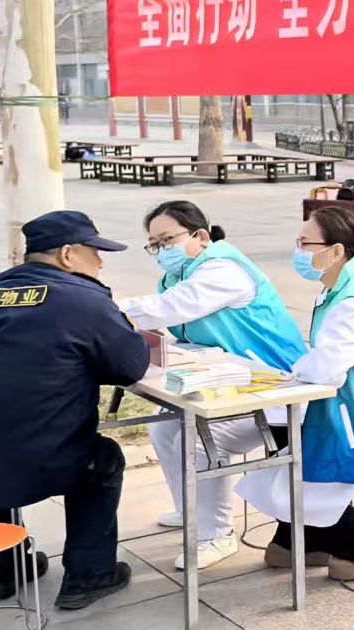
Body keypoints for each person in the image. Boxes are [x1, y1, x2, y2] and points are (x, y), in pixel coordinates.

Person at [0, 211, 149, 610]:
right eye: (95, 253)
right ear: (68, 254)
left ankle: (6, 567)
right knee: (102, 459)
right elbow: (130, 366)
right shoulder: (83, 301)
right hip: (30, 463)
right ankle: (89, 575)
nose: (100, 263)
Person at [119, 201, 309, 571]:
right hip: (232, 382)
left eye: (168, 239)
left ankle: (217, 534)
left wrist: (104, 309)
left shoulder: (224, 270)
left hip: (276, 388)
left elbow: (171, 307)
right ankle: (190, 509)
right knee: (164, 426)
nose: (161, 250)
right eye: (154, 244)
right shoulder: (179, 275)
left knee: (198, 440)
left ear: (201, 236)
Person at [235, 207, 354, 579]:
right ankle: (300, 538)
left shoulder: (352, 303)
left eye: (305, 244)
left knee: (288, 447)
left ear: (336, 251)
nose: (298, 251)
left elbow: (327, 368)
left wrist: (295, 370)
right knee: (281, 431)